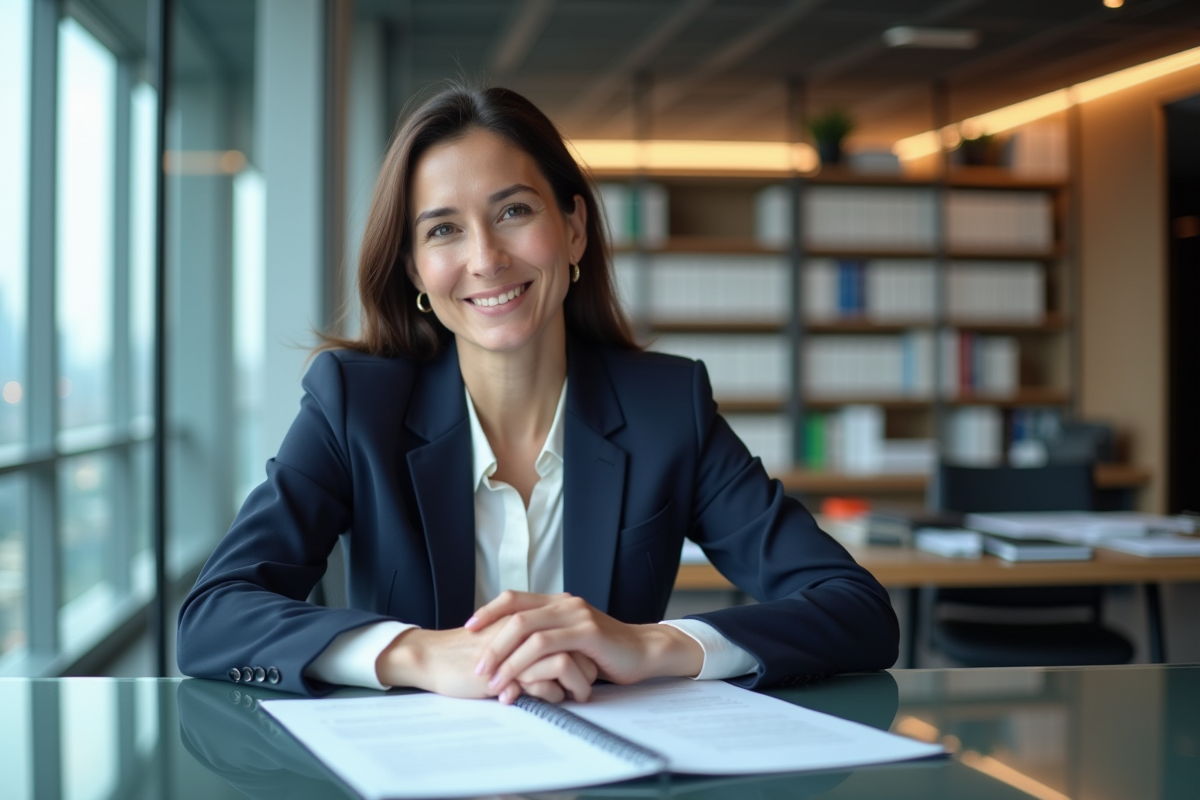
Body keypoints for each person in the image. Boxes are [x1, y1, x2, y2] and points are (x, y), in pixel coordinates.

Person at [177, 84, 899, 702]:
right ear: (415, 269)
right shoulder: (354, 406)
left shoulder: (665, 408)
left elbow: (857, 612)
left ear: (575, 228)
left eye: (514, 212)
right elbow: (213, 618)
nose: (486, 258)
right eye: (444, 230)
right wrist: (420, 656)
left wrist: (649, 647)